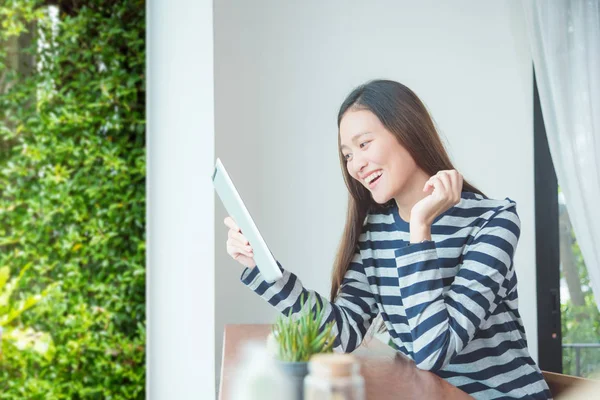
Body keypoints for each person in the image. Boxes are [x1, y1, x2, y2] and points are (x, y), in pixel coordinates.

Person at [224, 80, 552, 399]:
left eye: (364, 144)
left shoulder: (493, 221)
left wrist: (419, 227)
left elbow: (434, 351)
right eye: (347, 154)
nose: (356, 165)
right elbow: (343, 333)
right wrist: (265, 270)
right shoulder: (376, 229)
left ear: (407, 131)